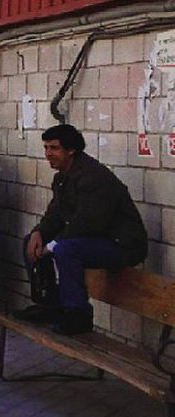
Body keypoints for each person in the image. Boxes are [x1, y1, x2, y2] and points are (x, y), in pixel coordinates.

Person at [16, 123, 147, 335]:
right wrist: (39, 233)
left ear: (71, 150)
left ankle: (78, 316)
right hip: (93, 240)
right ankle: (48, 304)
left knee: (65, 249)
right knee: (30, 241)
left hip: (122, 245)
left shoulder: (94, 177)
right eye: (46, 148)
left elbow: (89, 224)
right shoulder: (62, 178)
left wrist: (51, 245)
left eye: (54, 148)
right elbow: (55, 215)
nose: (48, 154)